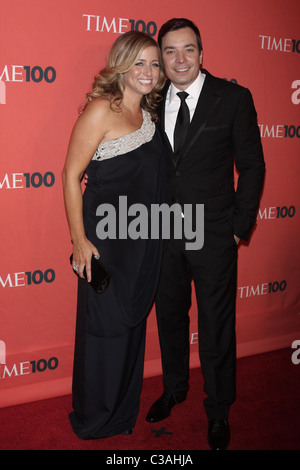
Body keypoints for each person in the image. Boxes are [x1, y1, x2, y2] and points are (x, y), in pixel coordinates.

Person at [145, 18, 265, 450]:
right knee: (170, 318)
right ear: (161, 58)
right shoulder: (150, 101)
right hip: (163, 232)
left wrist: (237, 228)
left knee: (216, 326)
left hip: (213, 234)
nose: (180, 59)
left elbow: (253, 166)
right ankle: (175, 388)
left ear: (202, 52)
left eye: (188, 49)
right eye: (170, 51)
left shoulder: (233, 98)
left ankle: (219, 409)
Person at [62, 31, 165, 439]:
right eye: (139, 62)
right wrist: (78, 240)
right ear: (120, 65)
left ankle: (122, 413)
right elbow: (71, 176)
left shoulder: (151, 118)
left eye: (155, 63)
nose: (149, 71)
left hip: (142, 243)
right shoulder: (101, 110)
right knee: (103, 330)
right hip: (105, 244)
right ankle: (95, 417)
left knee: (131, 328)